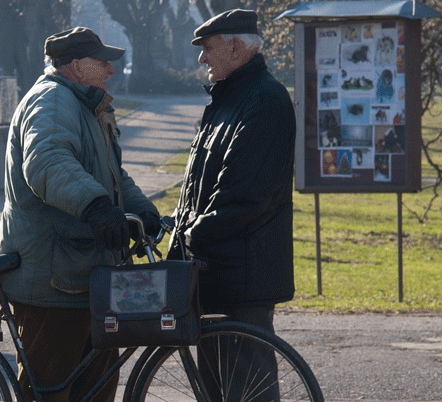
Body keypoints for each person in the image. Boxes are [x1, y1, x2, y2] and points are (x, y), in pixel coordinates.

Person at [0, 26, 160, 402]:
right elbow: (47, 163)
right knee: (52, 390)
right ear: (75, 65)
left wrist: (143, 212)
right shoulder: (52, 101)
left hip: (84, 274)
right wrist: (97, 207)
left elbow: (113, 176)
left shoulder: (86, 105)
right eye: (102, 61)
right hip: (53, 278)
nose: (111, 70)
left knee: (96, 389)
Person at [168, 9, 297, 400]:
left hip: (244, 277)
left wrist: (190, 233)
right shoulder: (227, 101)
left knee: (246, 392)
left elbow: (245, 196)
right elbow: (200, 188)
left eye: (208, 48)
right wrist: (175, 223)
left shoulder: (264, 102)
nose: (201, 58)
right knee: (218, 391)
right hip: (216, 272)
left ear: (236, 48)